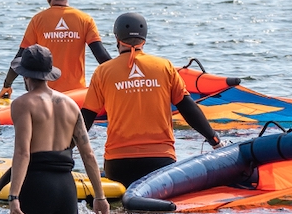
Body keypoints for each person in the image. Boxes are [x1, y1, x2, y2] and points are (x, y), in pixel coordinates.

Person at [81, 12, 222, 187]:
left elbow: (86, 118)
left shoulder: (103, 72)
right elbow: (188, 108)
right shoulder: (164, 67)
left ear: (117, 38)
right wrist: (215, 141)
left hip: (118, 164)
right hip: (161, 162)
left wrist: (64, 151)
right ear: (144, 39)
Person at [7, 45, 110, 214]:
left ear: (24, 74)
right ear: (49, 73)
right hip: (66, 188)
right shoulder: (70, 105)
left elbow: (23, 152)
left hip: (36, 184)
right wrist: (100, 196)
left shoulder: (22, 104)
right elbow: (88, 154)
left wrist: (13, 196)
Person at [0, 0, 111, 98]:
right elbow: (101, 56)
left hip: (45, 95)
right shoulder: (85, 20)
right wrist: (120, 79)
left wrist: (7, 85)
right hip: (75, 96)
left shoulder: (38, 20)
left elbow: (20, 57)